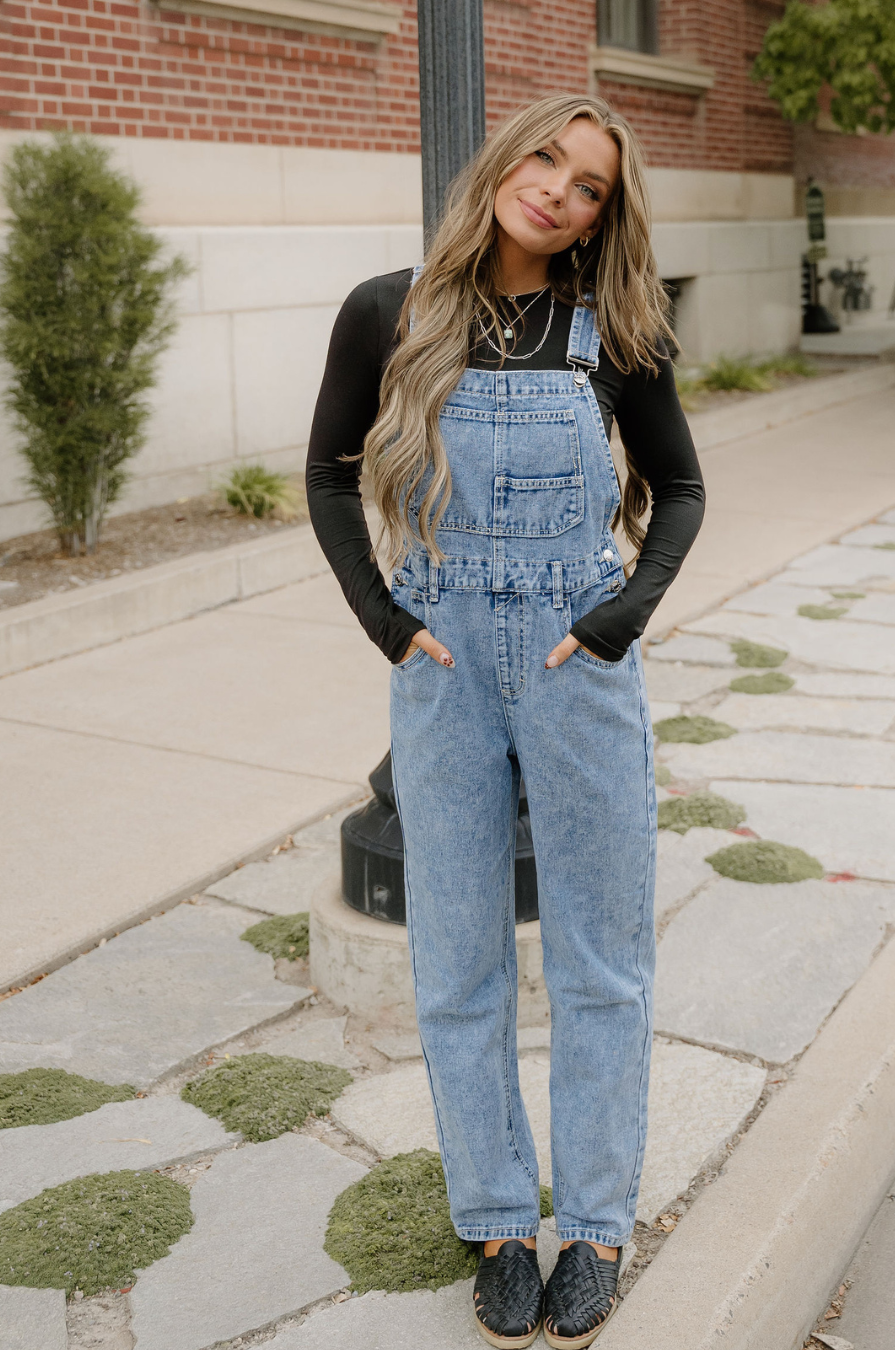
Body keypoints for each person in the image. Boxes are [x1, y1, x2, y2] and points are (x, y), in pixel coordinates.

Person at [306, 93, 705, 1349]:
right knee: (459, 956)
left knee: (599, 954)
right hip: (442, 657)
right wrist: (386, 624)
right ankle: (493, 1218)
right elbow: (325, 473)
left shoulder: (614, 332)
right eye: (547, 158)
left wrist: (613, 624)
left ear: (600, 218)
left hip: (573, 655)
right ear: (506, 158)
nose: (557, 191)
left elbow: (682, 489)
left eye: (588, 186)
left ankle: (592, 1221)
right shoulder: (392, 310)